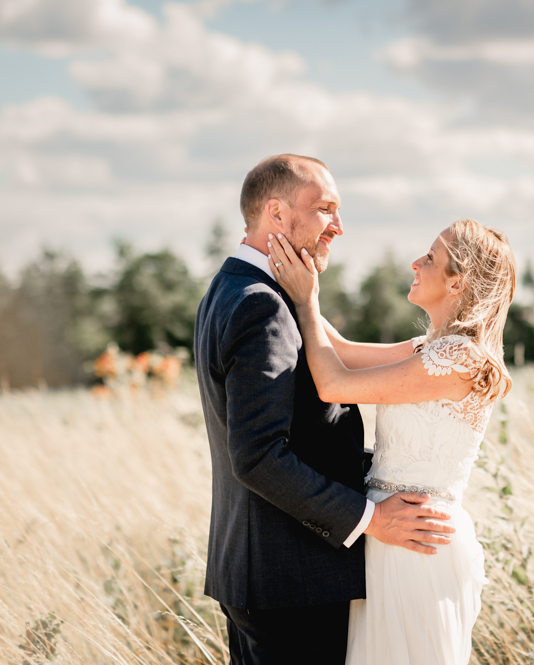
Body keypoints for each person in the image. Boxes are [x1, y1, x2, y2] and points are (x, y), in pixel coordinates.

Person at [194, 154, 456, 665]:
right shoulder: (261, 305)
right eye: (325, 210)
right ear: (276, 213)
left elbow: (312, 419)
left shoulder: (232, 290)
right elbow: (259, 455)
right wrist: (370, 518)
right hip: (291, 582)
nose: (338, 227)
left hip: (262, 574)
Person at [267, 216, 516, 664]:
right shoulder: (431, 347)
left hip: (417, 544)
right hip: (390, 536)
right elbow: (340, 349)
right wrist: (293, 286)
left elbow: (334, 384)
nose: (415, 262)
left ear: (457, 283)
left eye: (431, 257)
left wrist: (306, 303)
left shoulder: (460, 357)